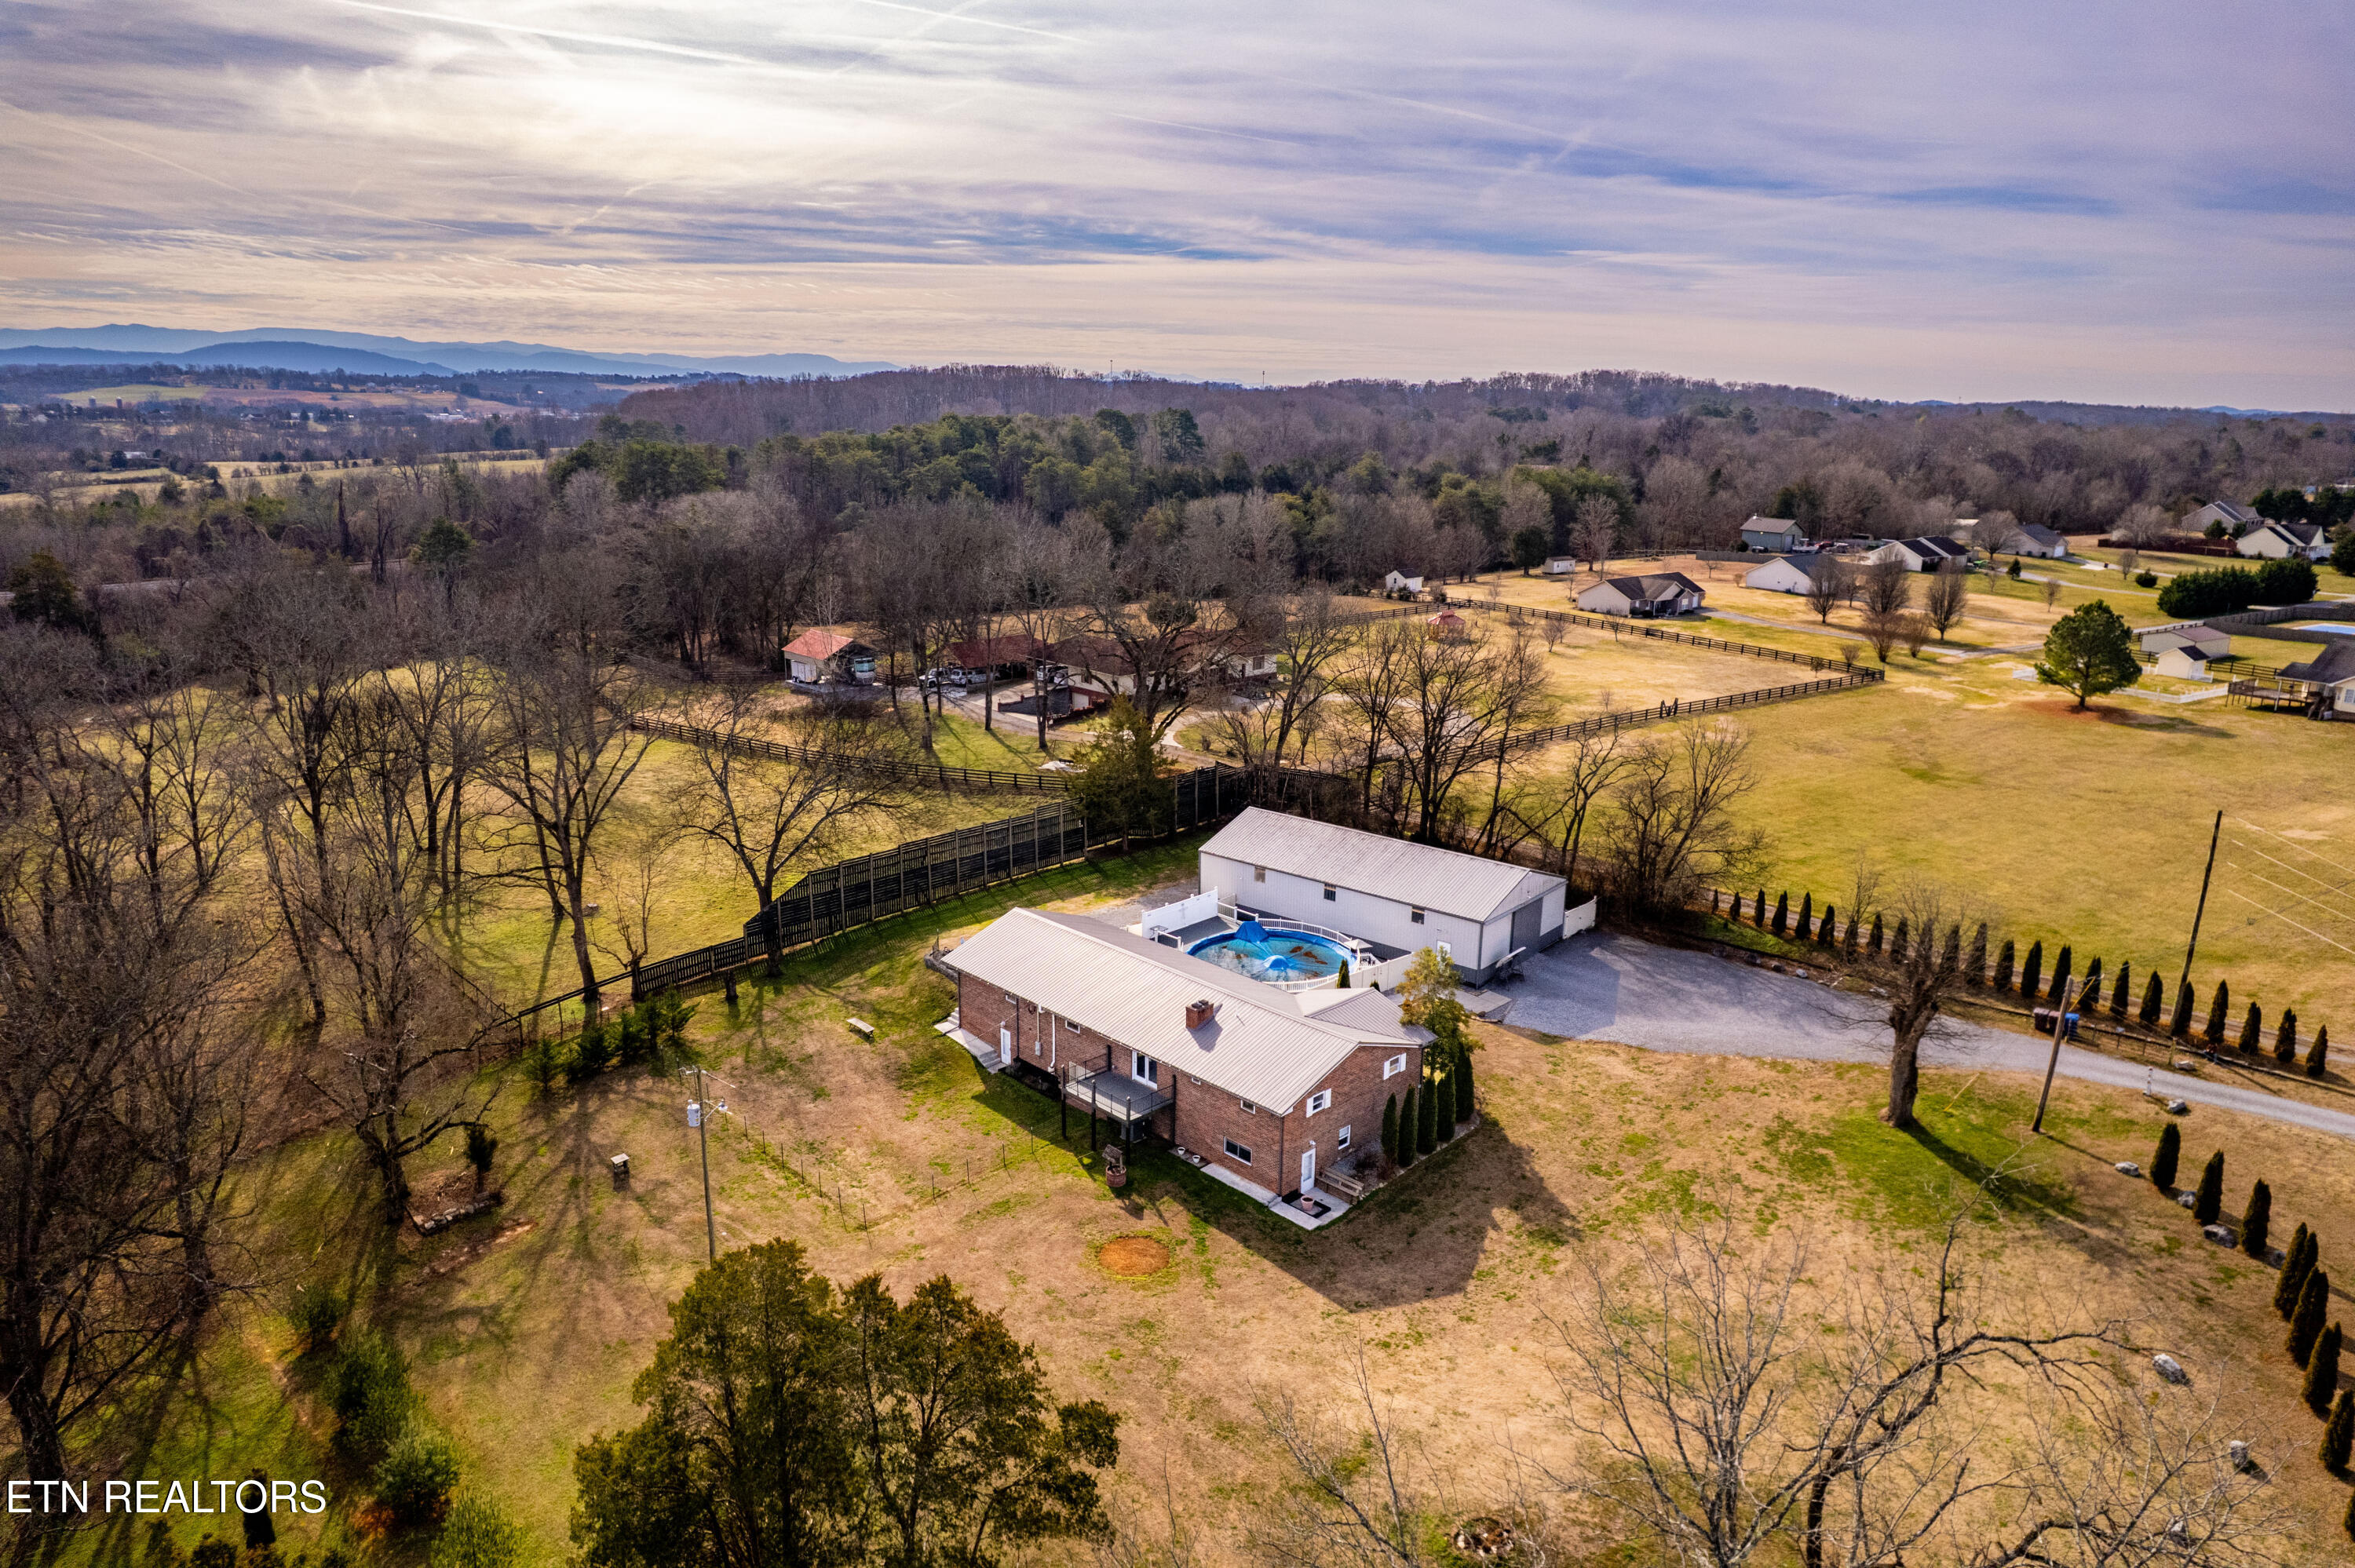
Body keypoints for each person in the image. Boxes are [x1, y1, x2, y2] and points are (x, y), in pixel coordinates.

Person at [239, 1471, 276, 1552]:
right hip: (258, 1532)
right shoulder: (255, 1499)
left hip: (258, 1532)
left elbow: (248, 1518)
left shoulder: (255, 1499)